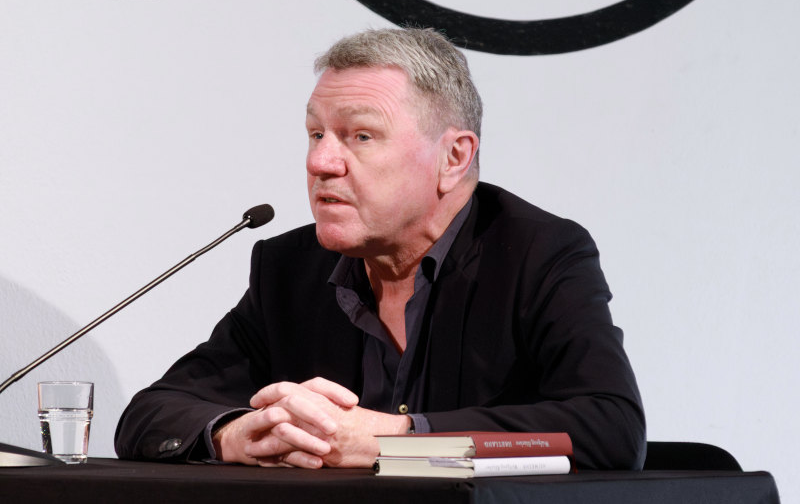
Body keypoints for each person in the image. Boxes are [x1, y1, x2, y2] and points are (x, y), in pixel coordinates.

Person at [114, 28, 646, 470]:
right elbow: (152, 413)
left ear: (454, 158)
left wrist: (397, 441)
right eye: (315, 134)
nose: (321, 162)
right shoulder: (289, 269)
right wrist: (237, 435)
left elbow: (610, 429)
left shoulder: (536, 254)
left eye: (361, 136)